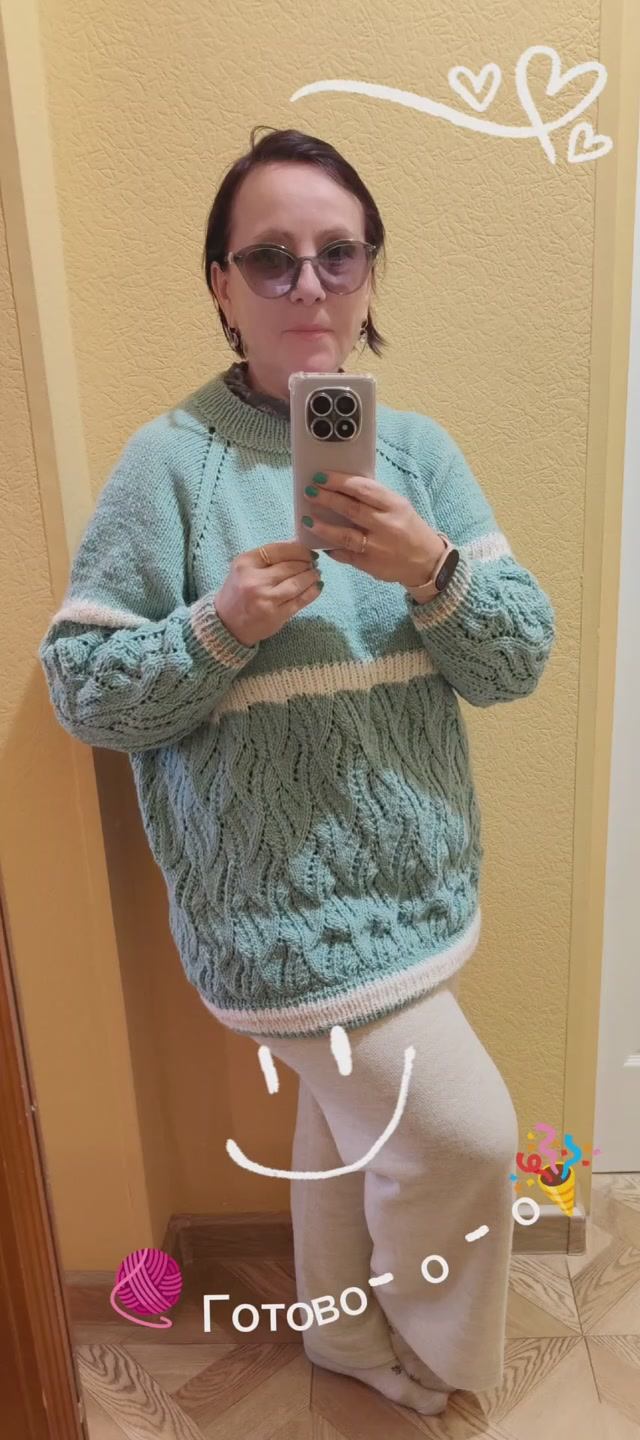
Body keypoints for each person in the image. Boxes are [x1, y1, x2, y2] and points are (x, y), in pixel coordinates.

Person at [38, 125, 556, 1417]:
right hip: (276, 919)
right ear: (221, 284)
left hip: (422, 888)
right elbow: (83, 690)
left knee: (343, 1136)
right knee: (467, 1137)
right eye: (271, 258)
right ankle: (444, 1360)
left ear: (371, 273)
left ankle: (339, 1336)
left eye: (338, 254)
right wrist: (219, 626)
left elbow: (516, 660)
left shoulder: (417, 454)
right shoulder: (170, 463)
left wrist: (434, 570)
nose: (308, 284)